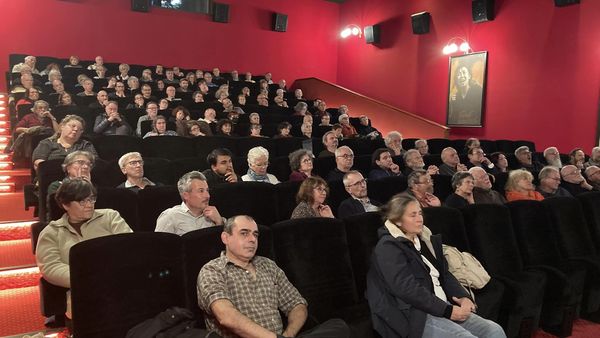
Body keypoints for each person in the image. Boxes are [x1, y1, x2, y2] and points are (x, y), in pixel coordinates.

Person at [366, 195, 506, 338]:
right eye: (412, 215)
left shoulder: (424, 239)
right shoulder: (388, 247)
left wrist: (464, 297)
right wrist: (446, 310)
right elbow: (406, 288)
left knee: (494, 330)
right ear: (398, 220)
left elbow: (444, 273)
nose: (419, 218)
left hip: (441, 305)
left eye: (420, 213)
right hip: (417, 314)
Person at [197, 215, 350, 338]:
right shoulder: (212, 270)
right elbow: (227, 317)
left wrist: (288, 334)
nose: (252, 239)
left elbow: (297, 304)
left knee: (338, 326)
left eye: (255, 234)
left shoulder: (268, 265)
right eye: (244, 233)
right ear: (225, 238)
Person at [36, 178, 133, 319]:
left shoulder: (110, 217)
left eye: (92, 199)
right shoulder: (51, 232)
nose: (89, 205)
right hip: (82, 292)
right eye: (82, 201)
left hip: (119, 283)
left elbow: (129, 246)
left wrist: (112, 274)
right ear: (65, 204)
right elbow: (51, 267)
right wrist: (87, 278)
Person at [155, 171, 225, 236]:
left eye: (207, 190)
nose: (207, 196)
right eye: (201, 191)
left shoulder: (214, 215)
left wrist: (219, 222)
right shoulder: (170, 216)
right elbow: (159, 246)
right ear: (186, 195)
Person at [32, 115, 97, 171]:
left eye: (80, 129)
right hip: (51, 176)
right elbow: (38, 162)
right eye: (73, 126)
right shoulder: (47, 143)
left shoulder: (85, 145)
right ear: (62, 126)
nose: (76, 129)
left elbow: (94, 162)